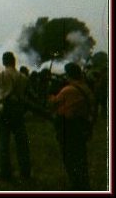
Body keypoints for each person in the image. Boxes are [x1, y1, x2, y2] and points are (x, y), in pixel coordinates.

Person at [48, 62, 96, 190]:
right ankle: (82, 183)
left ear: (69, 75)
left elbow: (53, 103)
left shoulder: (68, 90)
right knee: (80, 157)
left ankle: (76, 184)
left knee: (70, 157)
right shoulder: (85, 87)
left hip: (69, 127)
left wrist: (51, 91)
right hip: (81, 125)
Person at [0, 52, 30, 181]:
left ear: (3, 62)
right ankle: (25, 171)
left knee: (3, 142)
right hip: (18, 109)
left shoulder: (1, 75)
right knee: (22, 142)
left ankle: (5, 171)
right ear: (14, 61)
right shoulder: (23, 77)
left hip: (4, 109)